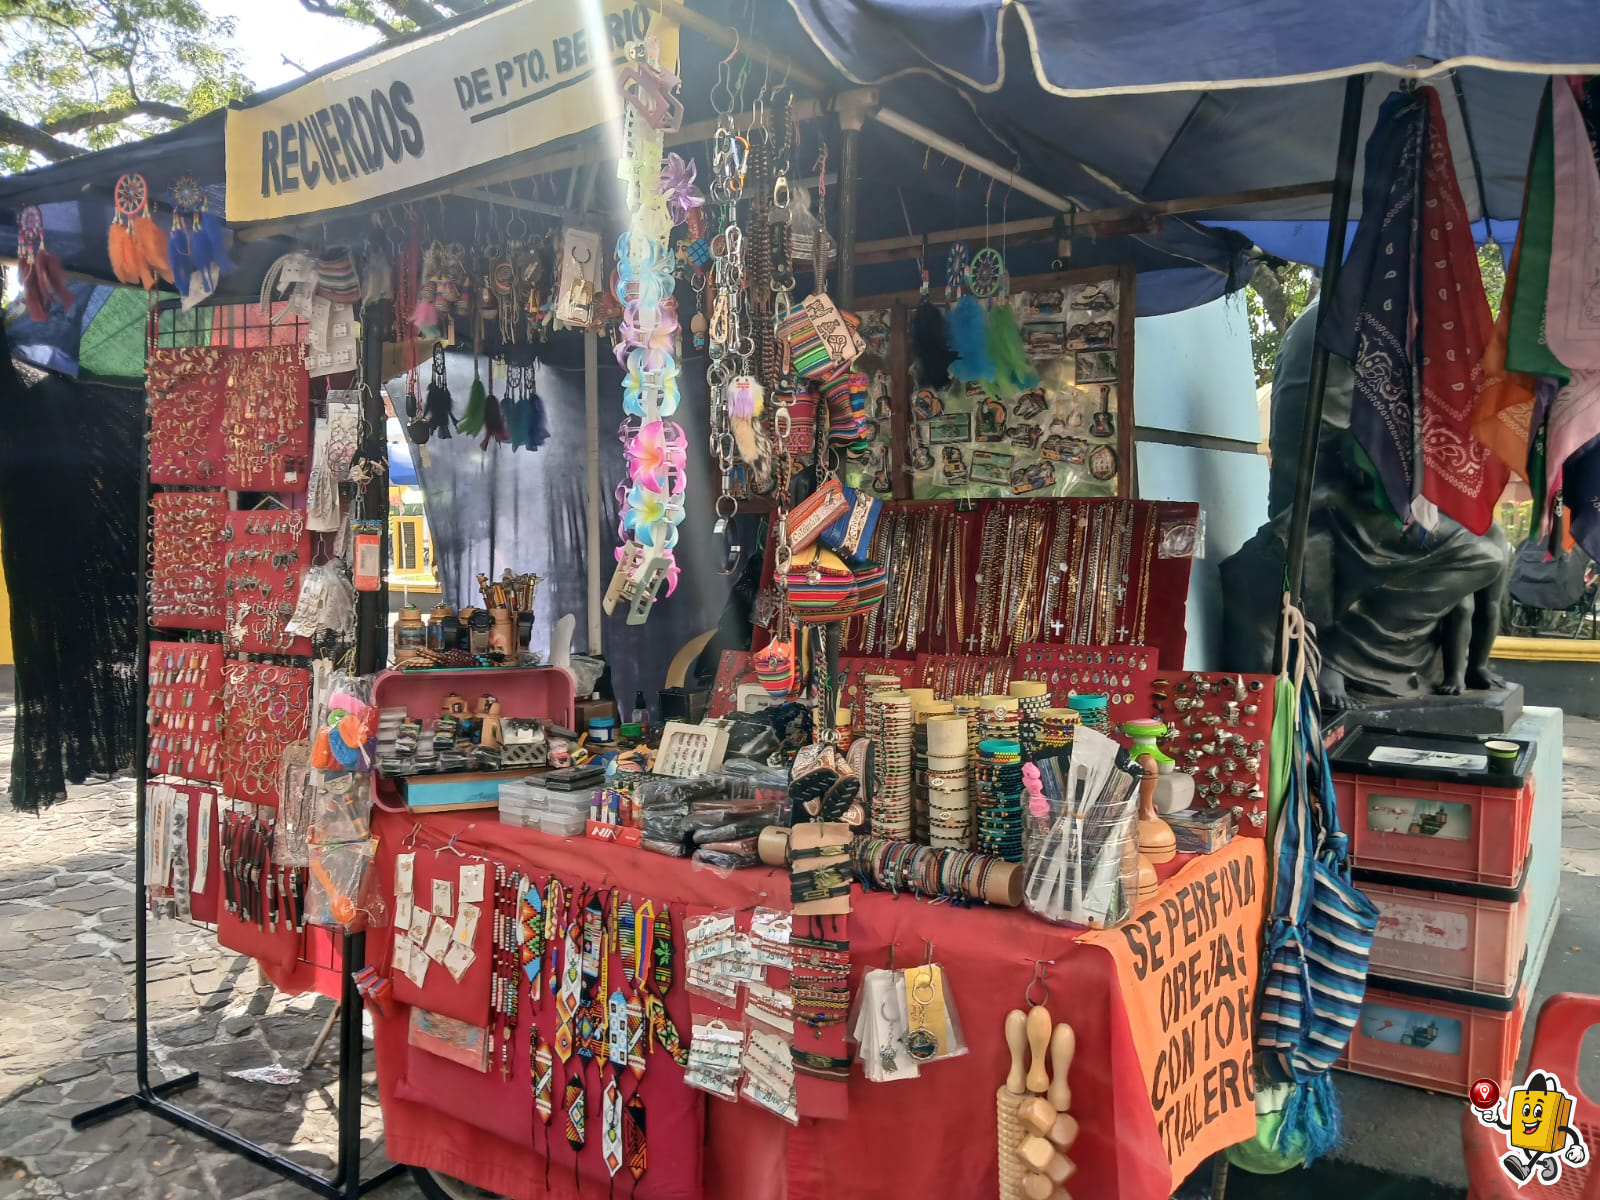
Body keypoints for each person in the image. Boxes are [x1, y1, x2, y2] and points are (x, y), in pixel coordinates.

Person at [1220, 302, 1510, 709]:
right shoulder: (1354, 317)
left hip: (1372, 490)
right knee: (1486, 554)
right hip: (1347, 499)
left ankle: (1468, 665)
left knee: (1495, 539)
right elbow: (1347, 448)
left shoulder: (1370, 313)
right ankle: (1344, 655)